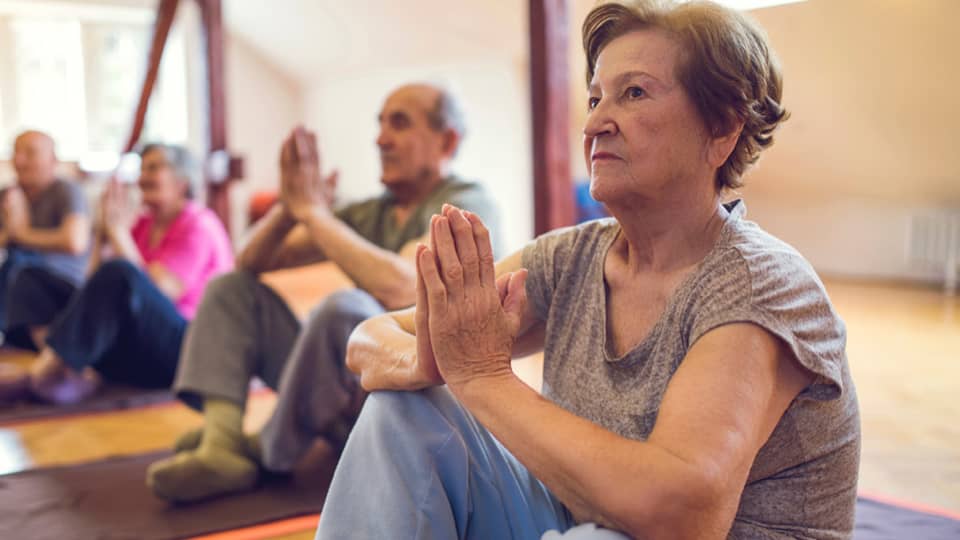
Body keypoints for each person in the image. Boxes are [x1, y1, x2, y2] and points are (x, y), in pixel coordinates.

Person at [321, 2, 861, 539]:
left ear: (720, 130)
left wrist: (481, 376)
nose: (596, 122)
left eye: (634, 93)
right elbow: (368, 337)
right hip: (578, 524)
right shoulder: (572, 257)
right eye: (596, 97)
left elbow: (682, 516)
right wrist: (435, 356)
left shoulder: (759, 282)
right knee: (401, 412)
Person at [146, 83, 503, 503]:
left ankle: (265, 451)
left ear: (447, 141)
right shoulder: (372, 210)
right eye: (381, 124)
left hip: (416, 411)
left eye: (399, 124)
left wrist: (315, 214)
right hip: (348, 397)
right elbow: (248, 261)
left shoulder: (465, 204)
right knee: (231, 289)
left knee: (347, 310)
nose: (381, 139)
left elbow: (402, 286)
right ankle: (221, 444)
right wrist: (290, 208)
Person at [2, 143, 233, 404]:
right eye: (142, 168)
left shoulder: (198, 224)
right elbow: (95, 284)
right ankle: (70, 369)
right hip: (142, 347)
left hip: (190, 352)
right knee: (31, 278)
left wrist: (119, 233)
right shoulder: (145, 224)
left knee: (121, 272)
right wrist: (103, 233)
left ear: (182, 180)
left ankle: (47, 375)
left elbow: (158, 291)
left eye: (154, 168)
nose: (142, 177)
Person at [0, 131, 91, 349]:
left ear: (53, 160)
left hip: (62, 287)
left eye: (29, 153)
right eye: (16, 152)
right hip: (16, 291)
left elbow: (74, 242)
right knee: (14, 262)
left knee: (18, 263)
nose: (20, 160)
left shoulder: (66, 191)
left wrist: (19, 233)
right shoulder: (9, 195)